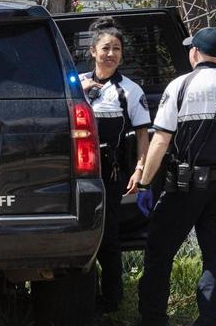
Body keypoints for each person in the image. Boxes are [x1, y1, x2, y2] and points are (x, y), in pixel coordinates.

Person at [133, 27, 216, 326]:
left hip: (184, 187)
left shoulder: (180, 86)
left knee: (160, 251)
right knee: (215, 258)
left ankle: (153, 318)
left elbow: (161, 142)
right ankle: (207, 320)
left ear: (195, 53)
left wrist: (144, 184)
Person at [78, 17, 150, 314]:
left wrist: (140, 169)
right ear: (93, 51)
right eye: (106, 48)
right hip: (78, 171)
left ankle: (111, 300)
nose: (111, 54)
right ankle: (80, 297)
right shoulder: (76, 84)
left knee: (107, 236)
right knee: (79, 233)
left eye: (117, 49)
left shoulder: (130, 91)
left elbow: (144, 134)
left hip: (110, 171)